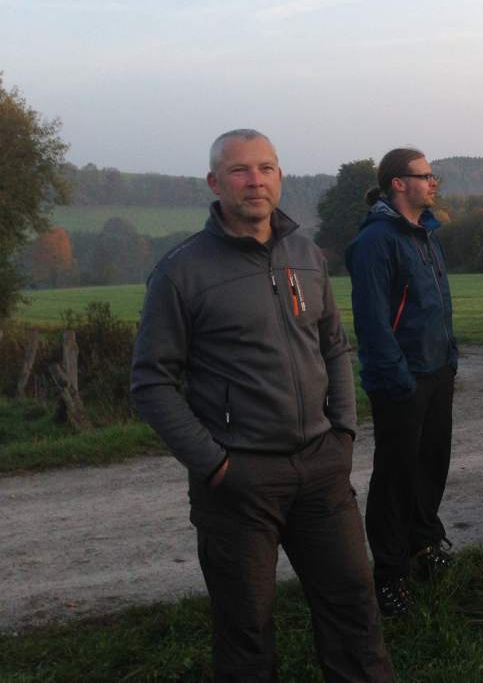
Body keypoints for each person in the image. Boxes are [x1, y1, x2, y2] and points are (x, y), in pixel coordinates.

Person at [130, 130, 392, 682]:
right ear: (214, 182)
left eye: (266, 168)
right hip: (238, 483)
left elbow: (334, 346)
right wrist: (215, 465)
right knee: (245, 632)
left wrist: (343, 431)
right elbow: (151, 382)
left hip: (321, 470)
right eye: (240, 170)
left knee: (354, 611)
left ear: (280, 176)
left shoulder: (307, 255)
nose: (255, 181)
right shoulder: (181, 272)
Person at [345, 147, 457, 618]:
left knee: (431, 465)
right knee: (396, 477)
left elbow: (438, 305)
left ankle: (424, 545)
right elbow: (372, 322)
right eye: (425, 175)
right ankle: (390, 576)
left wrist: (449, 360)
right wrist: (399, 379)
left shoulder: (425, 234)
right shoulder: (376, 241)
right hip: (401, 380)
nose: (433, 182)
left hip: (437, 371)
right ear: (398, 183)